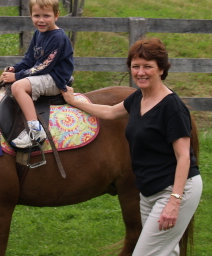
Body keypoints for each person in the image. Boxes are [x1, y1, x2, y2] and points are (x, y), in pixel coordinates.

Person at [61, 37, 202, 256]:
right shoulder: (138, 98)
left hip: (173, 191)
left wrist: (175, 201)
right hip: (148, 193)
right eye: (135, 67)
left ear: (162, 69)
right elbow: (109, 112)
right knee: (167, 252)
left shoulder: (172, 107)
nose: (140, 72)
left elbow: (184, 157)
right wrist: (75, 101)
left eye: (148, 67)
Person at [0, 0, 74, 148]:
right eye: (37, 16)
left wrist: (17, 77)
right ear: (31, 15)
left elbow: (43, 66)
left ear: (56, 15)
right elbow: (30, 59)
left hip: (55, 78)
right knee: (12, 83)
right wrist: (15, 69)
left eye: (46, 16)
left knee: (18, 87)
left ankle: (35, 131)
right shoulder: (38, 33)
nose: (41, 20)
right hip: (44, 73)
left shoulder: (58, 38)